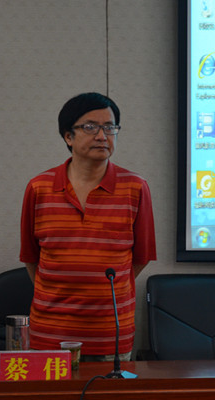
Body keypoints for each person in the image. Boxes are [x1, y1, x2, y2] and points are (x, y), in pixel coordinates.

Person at [19, 92, 156, 361]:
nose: (102, 136)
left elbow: (140, 258)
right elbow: (31, 258)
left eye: (110, 127)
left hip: (109, 335)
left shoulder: (135, 188)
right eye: (91, 127)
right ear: (68, 136)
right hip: (50, 333)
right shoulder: (39, 188)